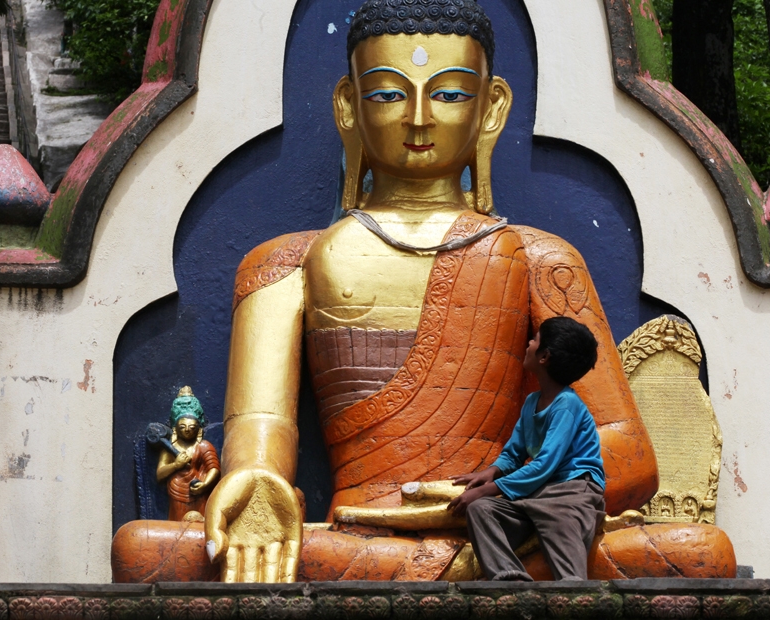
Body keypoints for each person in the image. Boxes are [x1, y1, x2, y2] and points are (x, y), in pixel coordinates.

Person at [201, 0, 735, 583]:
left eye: (451, 93)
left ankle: (479, 555)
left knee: (700, 551)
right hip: (365, 534)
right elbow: (262, 424)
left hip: (505, 519)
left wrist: (502, 492)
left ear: (491, 107)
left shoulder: (542, 259)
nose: (419, 118)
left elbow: (628, 455)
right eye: (387, 94)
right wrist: (256, 481)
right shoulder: (285, 262)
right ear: (348, 107)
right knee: (155, 549)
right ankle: (475, 567)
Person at [448, 317, 605, 581]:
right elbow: (514, 453)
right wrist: (491, 472)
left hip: (572, 490)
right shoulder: (532, 402)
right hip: (536, 493)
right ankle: (512, 583)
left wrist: (489, 489)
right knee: (482, 510)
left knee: (558, 516)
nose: (529, 343)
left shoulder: (567, 404)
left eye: (535, 339)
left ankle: (574, 590)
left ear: (544, 357)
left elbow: (544, 464)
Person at [157, 387, 221, 521]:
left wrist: (205, 484)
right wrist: (176, 465)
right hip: (177, 494)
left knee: (199, 524)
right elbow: (160, 474)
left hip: (198, 492)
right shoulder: (170, 448)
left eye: (192, 427)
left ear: (199, 429)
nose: (187, 430)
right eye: (182, 427)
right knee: (176, 526)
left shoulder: (203, 446)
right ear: (175, 429)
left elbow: (214, 468)